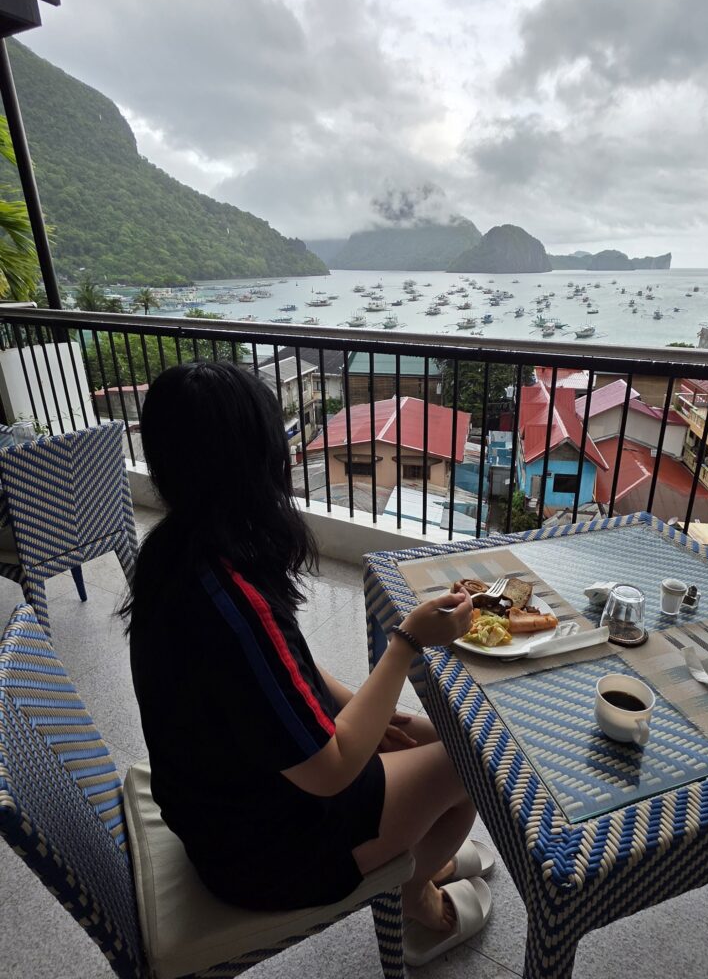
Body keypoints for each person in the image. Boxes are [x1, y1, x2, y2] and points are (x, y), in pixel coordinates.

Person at [124, 361, 494, 965]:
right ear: (257, 461)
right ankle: (418, 899)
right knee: (471, 761)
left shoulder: (184, 552)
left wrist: (354, 709)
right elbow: (330, 772)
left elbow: (280, 665)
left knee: (431, 732)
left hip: (217, 802)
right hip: (260, 854)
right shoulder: (231, 600)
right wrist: (405, 643)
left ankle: (421, 855)